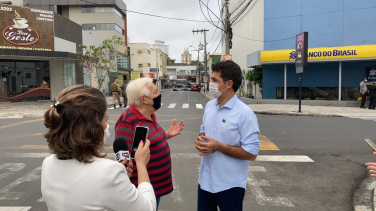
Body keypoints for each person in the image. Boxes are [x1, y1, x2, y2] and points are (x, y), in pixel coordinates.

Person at [41, 84, 156, 211]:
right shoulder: (108, 173)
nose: (107, 126)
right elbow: (148, 208)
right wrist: (141, 164)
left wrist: (121, 181)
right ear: (93, 127)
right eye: (105, 120)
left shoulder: (48, 163)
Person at [195, 61, 261, 211]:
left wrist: (218, 147)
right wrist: (201, 139)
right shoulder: (210, 106)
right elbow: (204, 131)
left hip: (230, 185)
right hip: (205, 181)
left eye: (214, 80)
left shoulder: (244, 113)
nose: (210, 83)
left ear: (228, 84)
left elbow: (252, 153)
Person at [115, 77, 185, 211]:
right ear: (144, 99)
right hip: (142, 190)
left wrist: (166, 135)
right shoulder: (128, 121)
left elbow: (145, 142)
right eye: (155, 92)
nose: (159, 95)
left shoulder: (148, 114)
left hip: (153, 188)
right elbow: (123, 159)